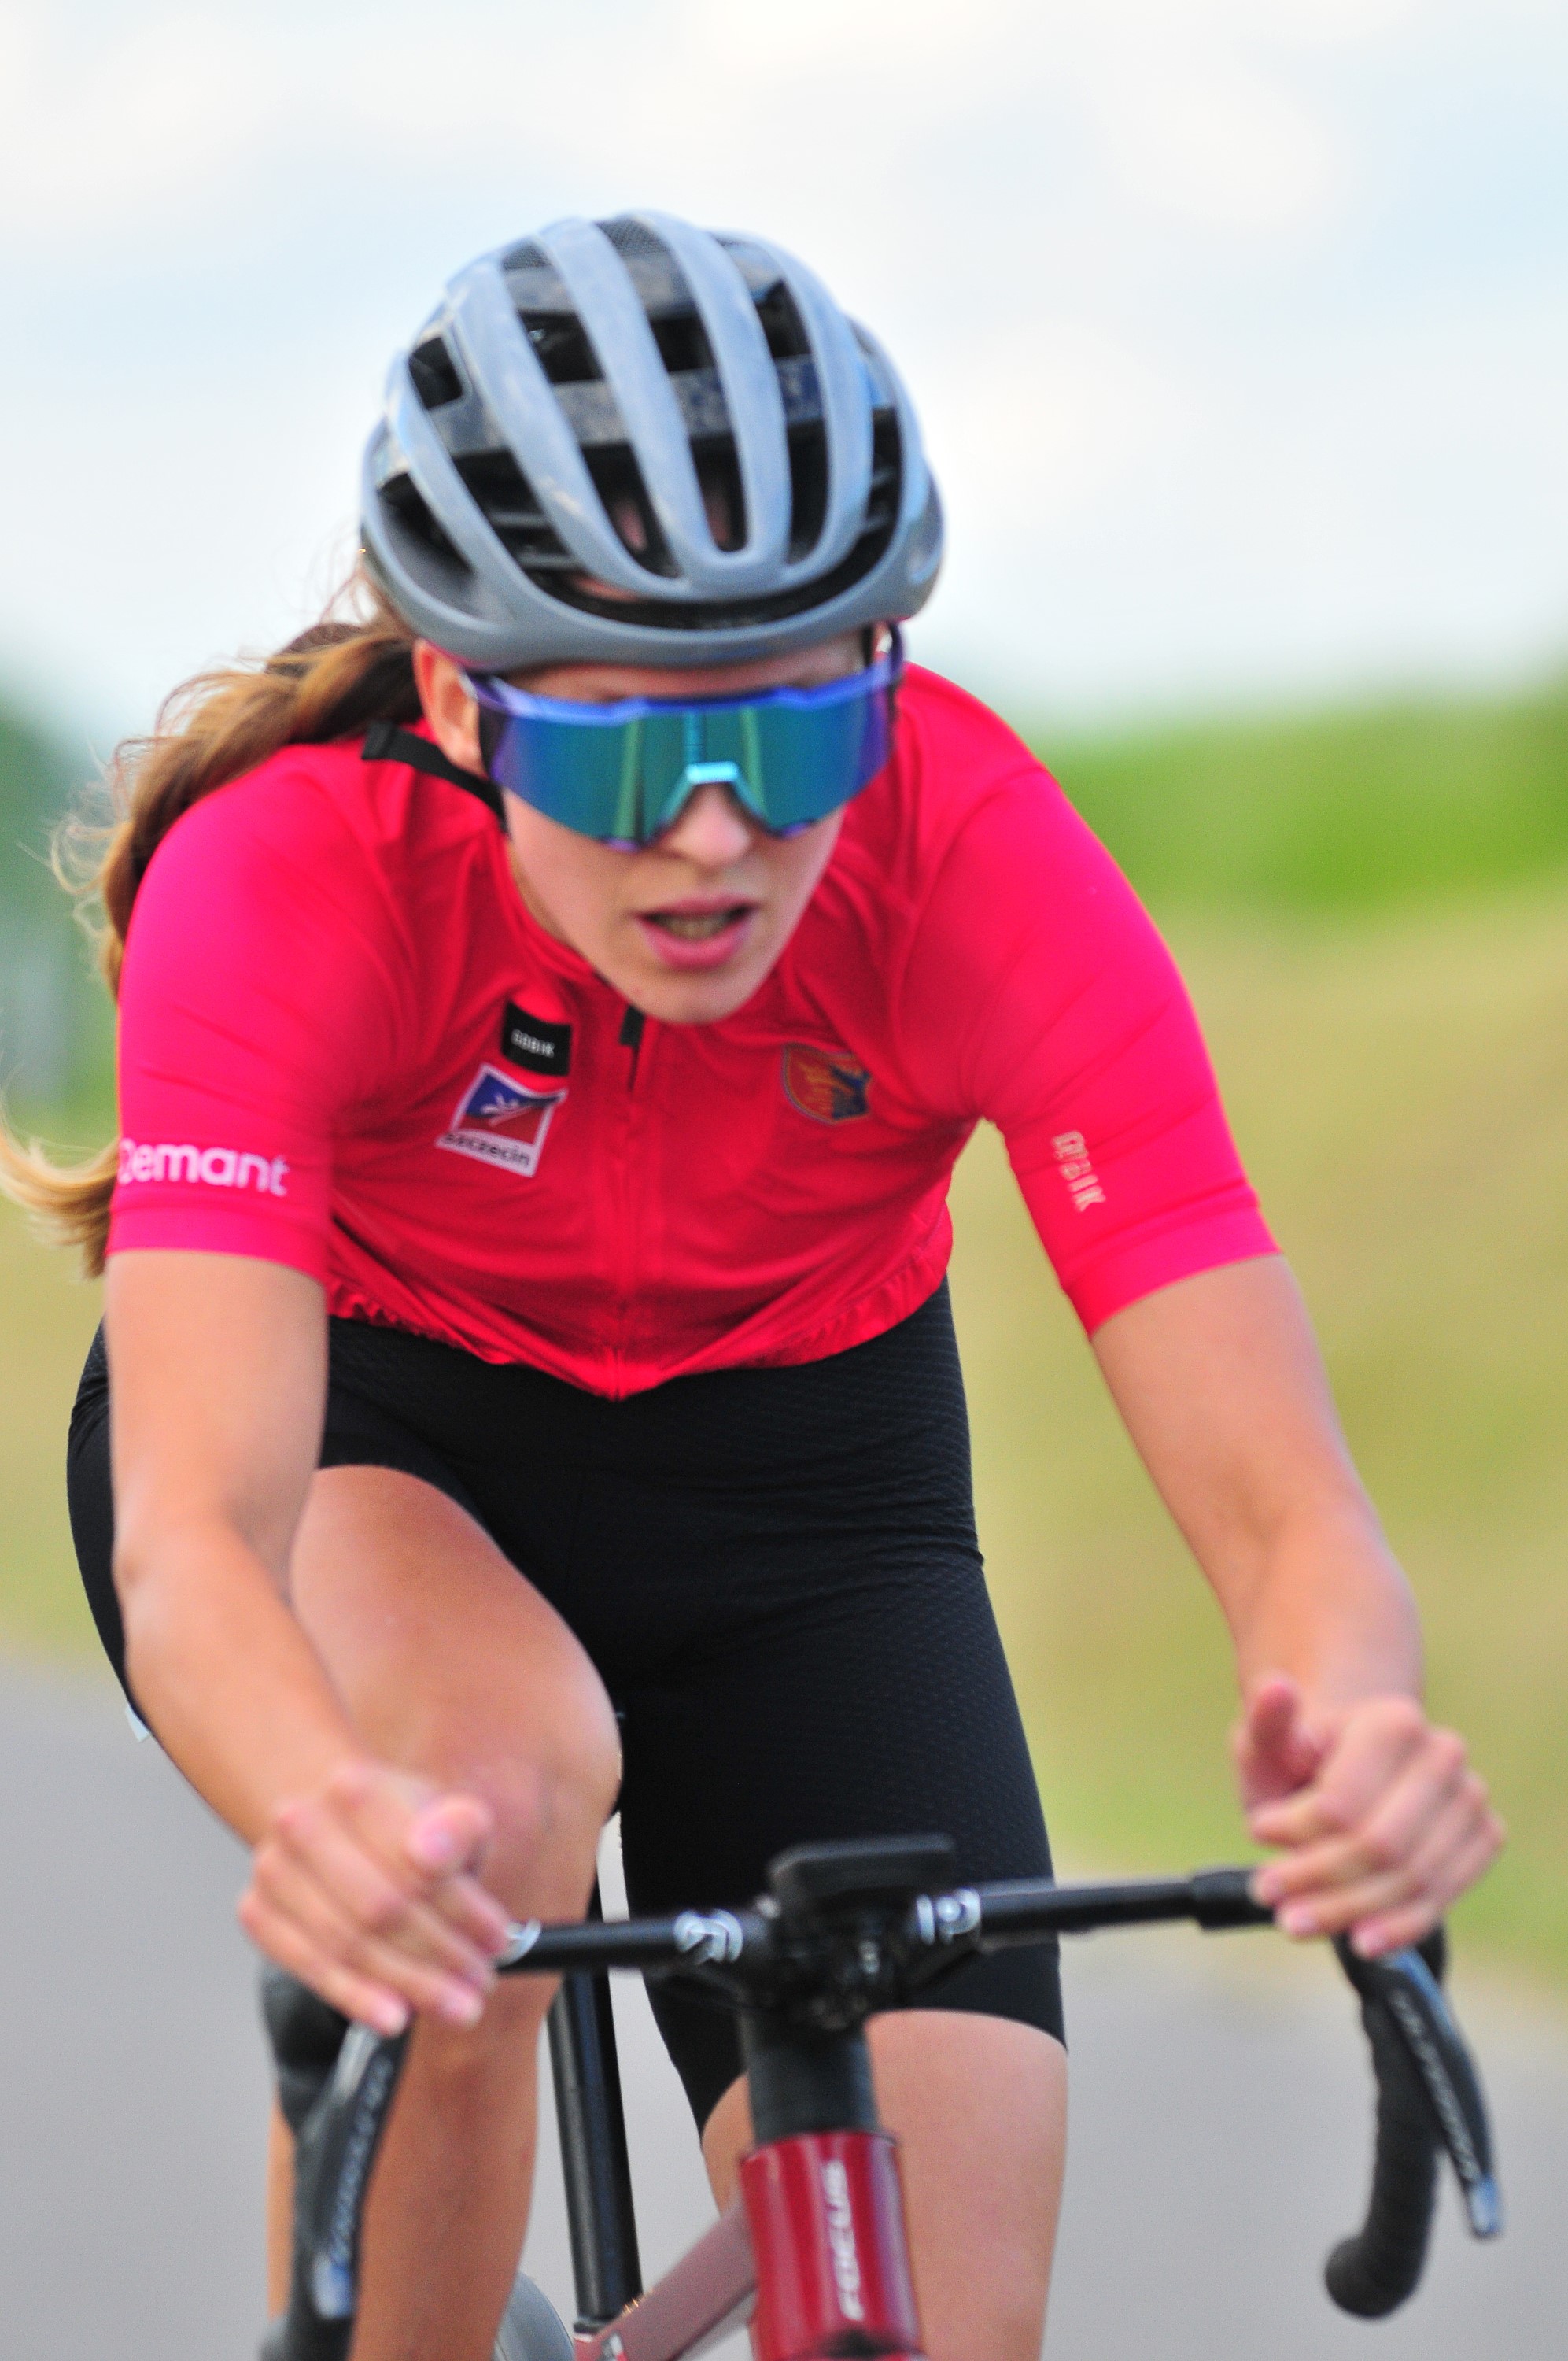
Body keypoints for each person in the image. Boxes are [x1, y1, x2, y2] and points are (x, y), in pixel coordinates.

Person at [2, 211, 1500, 2361]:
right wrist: (329, 1814)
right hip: (386, 1431)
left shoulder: (974, 856)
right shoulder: (294, 870)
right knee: (482, 1796)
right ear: (465, 698)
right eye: (624, 755)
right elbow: (197, 1542)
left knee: (937, 2309)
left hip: (808, 1487)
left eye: (791, 741)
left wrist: (1358, 1733)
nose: (712, 838)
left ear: (884, 679)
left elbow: (1290, 1521)